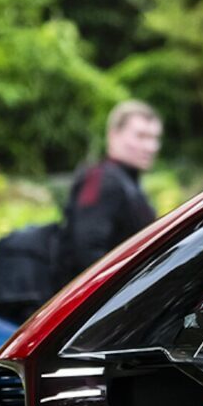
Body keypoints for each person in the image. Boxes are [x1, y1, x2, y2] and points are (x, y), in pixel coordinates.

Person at [56, 100, 162, 284]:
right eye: (141, 136)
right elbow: (87, 251)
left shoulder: (125, 181)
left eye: (154, 138)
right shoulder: (100, 179)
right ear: (113, 135)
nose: (151, 147)